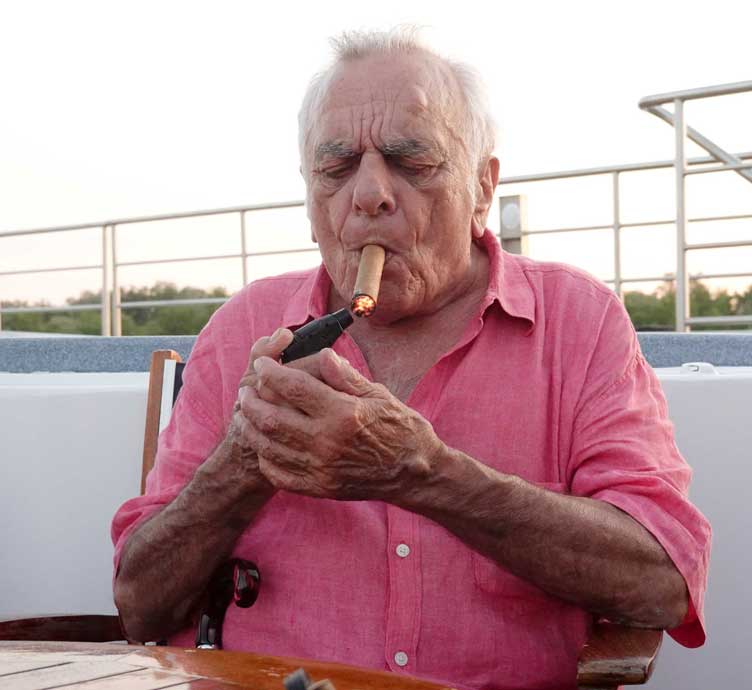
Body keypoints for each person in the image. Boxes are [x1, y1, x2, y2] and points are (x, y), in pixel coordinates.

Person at [112, 27, 710, 690]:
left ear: (482, 188)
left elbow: (662, 582)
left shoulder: (578, 320)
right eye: (337, 169)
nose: (370, 194)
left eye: (412, 162)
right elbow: (141, 605)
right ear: (311, 201)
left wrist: (429, 474)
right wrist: (244, 458)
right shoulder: (242, 329)